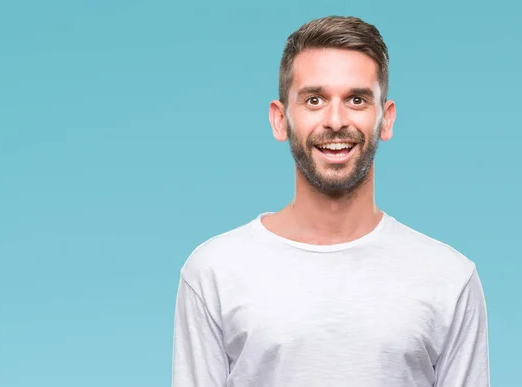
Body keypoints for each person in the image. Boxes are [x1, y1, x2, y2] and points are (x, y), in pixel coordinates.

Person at [171, 15, 490, 387]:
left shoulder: (450, 278)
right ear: (280, 120)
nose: (335, 120)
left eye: (356, 99)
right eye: (314, 99)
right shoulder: (213, 272)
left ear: (385, 120)